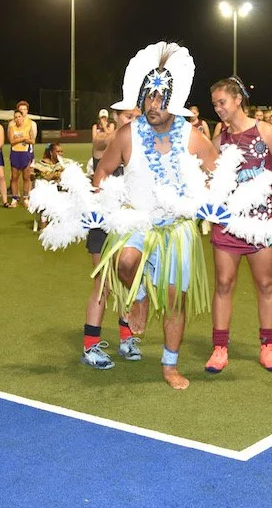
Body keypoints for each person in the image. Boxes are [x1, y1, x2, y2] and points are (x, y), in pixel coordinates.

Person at [92, 41, 219, 390]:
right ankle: (140, 298)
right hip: (136, 221)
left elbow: (217, 174)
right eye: (149, 96)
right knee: (126, 261)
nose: (153, 104)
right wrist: (103, 202)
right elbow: (102, 172)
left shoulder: (192, 138)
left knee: (176, 300)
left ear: (174, 103)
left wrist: (209, 198)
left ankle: (169, 366)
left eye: (161, 99)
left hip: (177, 230)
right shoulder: (126, 134)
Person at [205, 76, 272, 375]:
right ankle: (220, 348)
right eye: (214, 104)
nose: (218, 108)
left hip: (260, 224)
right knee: (223, 284)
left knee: (266, 284)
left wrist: (263, 192)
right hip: (228, 224)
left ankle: (268, 347)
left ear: (237, 99)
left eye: (222, 102)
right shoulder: (219, 142)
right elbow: (209, 180)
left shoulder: (265, 131)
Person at [79, 109, 147, 369]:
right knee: (104, 285)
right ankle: (90, 346)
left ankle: (126, 339)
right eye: (127, 116)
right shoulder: (107, 141)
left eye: (136, 116)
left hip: (130, 223)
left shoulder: (140, 146)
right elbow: (100, 144)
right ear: (117, 116)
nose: (133, 120)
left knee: (131, 281)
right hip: (103, 224)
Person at [7, 104, 36, 207]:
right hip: (15, 153)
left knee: (26, 177)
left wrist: (22, 139)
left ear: (22, 117)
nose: (18, 118)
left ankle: (26, 198)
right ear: (14, 119)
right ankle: (14, 198)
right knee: (14, 177)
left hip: (25, 153)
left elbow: (32, 141)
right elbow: (11, 141)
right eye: (16, 117)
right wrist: (23, 139)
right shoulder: (12, 128)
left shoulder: (29, 127)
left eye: (19, 116)